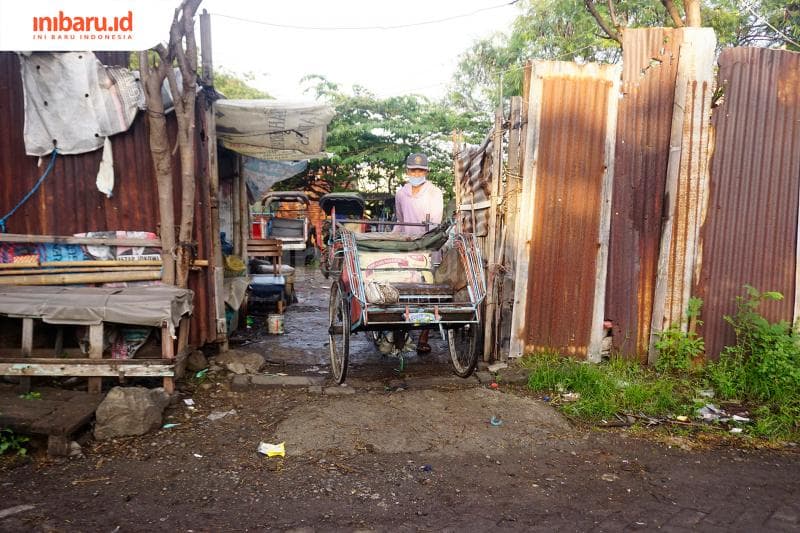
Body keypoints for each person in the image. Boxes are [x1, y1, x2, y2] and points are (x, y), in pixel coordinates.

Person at [393, 153, 444, 354]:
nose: (416, 173)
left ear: (426, 172)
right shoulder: (400, 193)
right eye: (413, 170)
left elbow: (435, 223)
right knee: (403, 291)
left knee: (428, 294)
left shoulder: (434, 192)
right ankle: (401, 333)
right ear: (407, 171)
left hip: (428, 247)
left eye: (420, 170)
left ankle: (423, 337)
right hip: (406, 247)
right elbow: (400, 219)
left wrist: (426, 241)